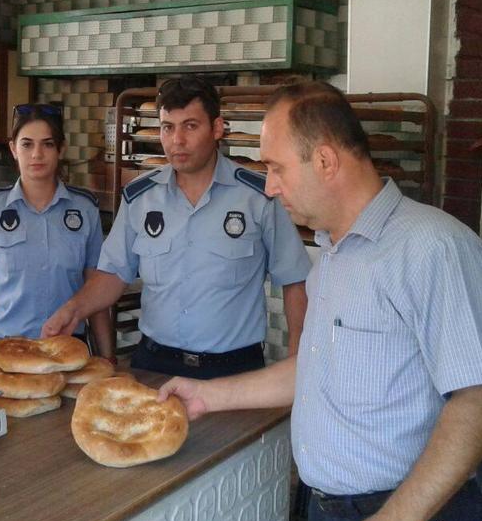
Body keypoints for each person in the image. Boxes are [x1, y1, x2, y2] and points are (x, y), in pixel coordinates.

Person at [158, 80, 482, 521]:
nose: (269, 187)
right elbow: (315, 364)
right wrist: (207, 396)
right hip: (327, 506)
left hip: (407, 511)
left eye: (276, 168)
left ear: (324, 160)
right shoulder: (333, 253)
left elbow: (481, 404)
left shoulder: (433, 248)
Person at [43, 76, 310, 379]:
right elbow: (114, 274)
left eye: (191, 126)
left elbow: (295, 281)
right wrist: (73, 310)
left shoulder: (258, 197)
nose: (177, 140)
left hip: (233, 370)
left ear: (217, 128)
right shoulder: (140, 197)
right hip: (155, 365)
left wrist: (297, 362)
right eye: (168, 127)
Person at [0, 104, 113, 380]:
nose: (37, 154)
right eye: (27, 144)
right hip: (8, 350)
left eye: (47, 144)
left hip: (69, 352)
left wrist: (107, 357)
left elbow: (97, 292)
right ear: (13, 149)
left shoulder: (85, 210)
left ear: (61, 150)